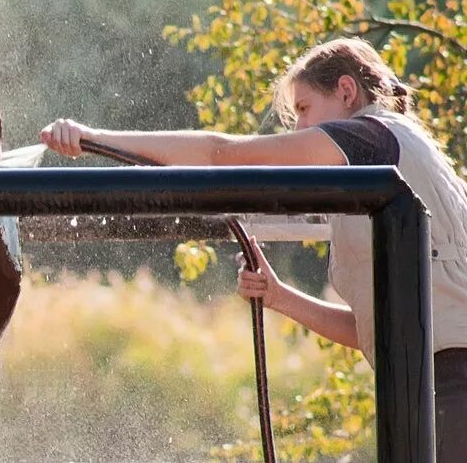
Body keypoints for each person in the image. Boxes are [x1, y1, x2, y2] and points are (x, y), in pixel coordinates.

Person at [40, 37, 467, 456]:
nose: (299, 128)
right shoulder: (390, 165)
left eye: (304, 109)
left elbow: (220, 155)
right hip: (429, 384)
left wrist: (95, 138)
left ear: (345, 91)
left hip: (451, 386)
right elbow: (373, 329)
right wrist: (279, 297)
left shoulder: (372, 136)